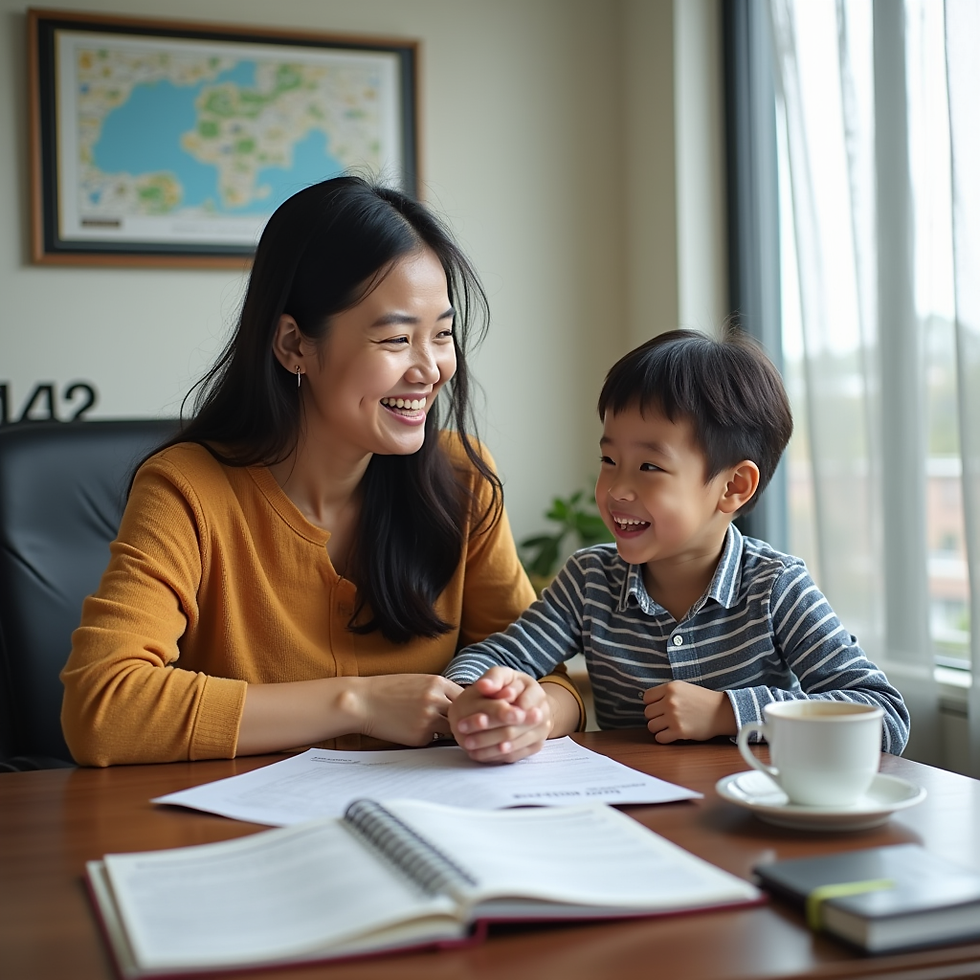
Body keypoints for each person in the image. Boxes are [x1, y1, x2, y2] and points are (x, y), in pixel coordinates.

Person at [61, 175, 583, 767]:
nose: (430, 369)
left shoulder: (463, 478)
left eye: (441, 335)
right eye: (394, 338)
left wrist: (531, 714)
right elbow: (101, 709)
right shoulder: (187, 490)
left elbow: (557, 681)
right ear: (294, 345)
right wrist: (357, 702)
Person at [445, 327, 910, 761]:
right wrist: (482, 696)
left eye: (649, 467)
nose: (616, 489)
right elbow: (498, 654)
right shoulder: (590, 580)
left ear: (733, 487)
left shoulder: (775, 587)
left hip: (748, 820)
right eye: (609, 459)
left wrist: (728, 714)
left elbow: (884, 715)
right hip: (632, 812)